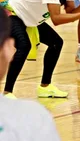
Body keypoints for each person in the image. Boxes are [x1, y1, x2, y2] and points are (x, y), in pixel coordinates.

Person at [0, 7, 61, 140]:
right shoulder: (34, 117)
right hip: (17, 15)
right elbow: (56, 18)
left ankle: (45, 86)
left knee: (56, 42)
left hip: (30, 18)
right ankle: (7, 91)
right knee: (24, 45)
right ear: (8, 49)